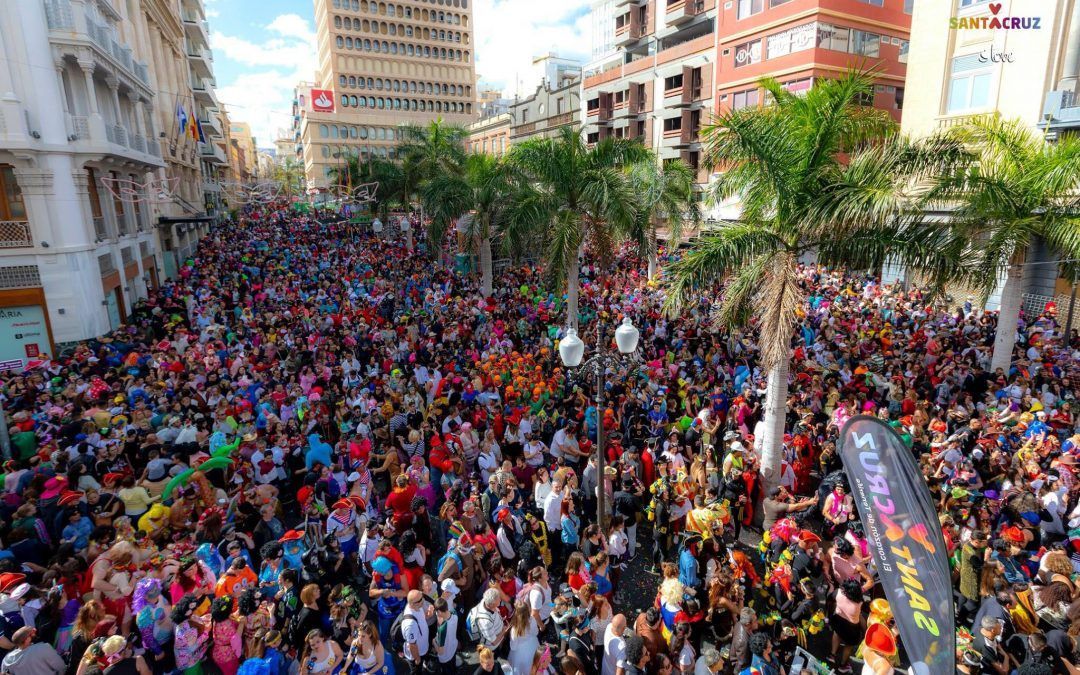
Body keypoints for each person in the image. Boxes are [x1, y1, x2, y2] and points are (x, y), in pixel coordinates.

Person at [1, 627, 66, 675]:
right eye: (32, 634)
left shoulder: (7, 659)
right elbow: (61, 667)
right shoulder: (43, 648)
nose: (34, 635)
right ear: (27, 639)